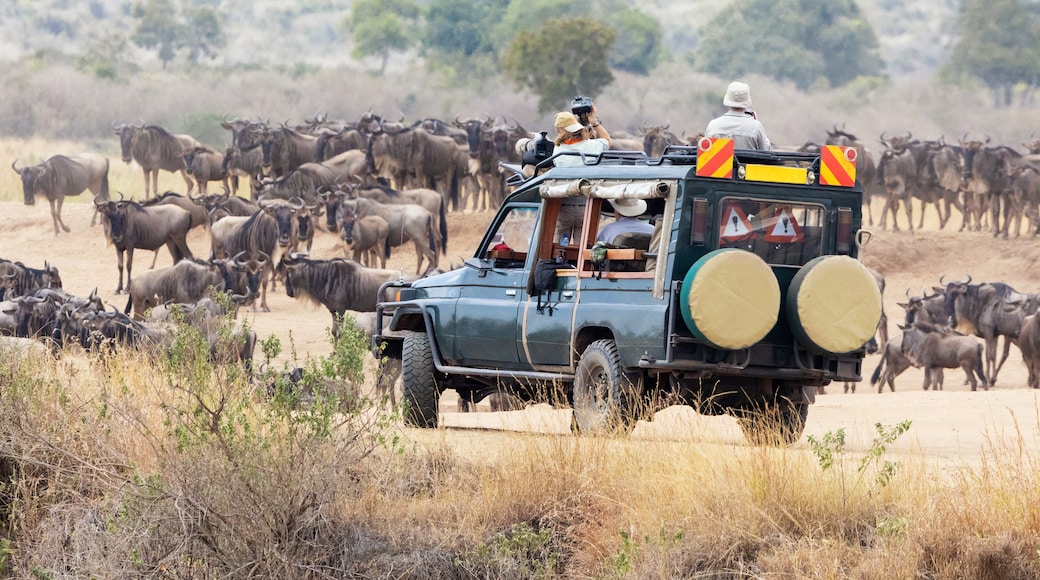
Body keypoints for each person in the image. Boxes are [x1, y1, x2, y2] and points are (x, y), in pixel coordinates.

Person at [553, 105, 612, 244]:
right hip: (586, 207)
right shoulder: (591, 146)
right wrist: (593, 120)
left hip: (564, 207)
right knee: (582, 248)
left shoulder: (557, 151)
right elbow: (608, 140)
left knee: (559, 249)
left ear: (559, 130)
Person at [704, 81, 772, 150]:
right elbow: (766, 150)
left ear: (727, 100)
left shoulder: (713, 125)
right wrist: (755, 123)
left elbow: (706, 151)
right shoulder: (756, 127)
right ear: (747, 101)